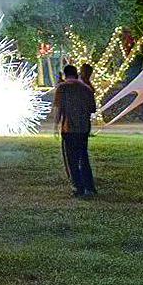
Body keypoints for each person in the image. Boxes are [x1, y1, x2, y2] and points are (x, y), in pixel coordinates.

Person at [52, 63, 97, 198]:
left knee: (71, 159)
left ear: (65, 75)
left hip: (69, 128)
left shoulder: (62, 88)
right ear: (76, 74)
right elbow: (93, 109)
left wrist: (56, 125)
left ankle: (78, 186)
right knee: (83, 156)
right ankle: (89, 186)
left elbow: (58, 108)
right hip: (84, 128)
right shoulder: (86, 88)